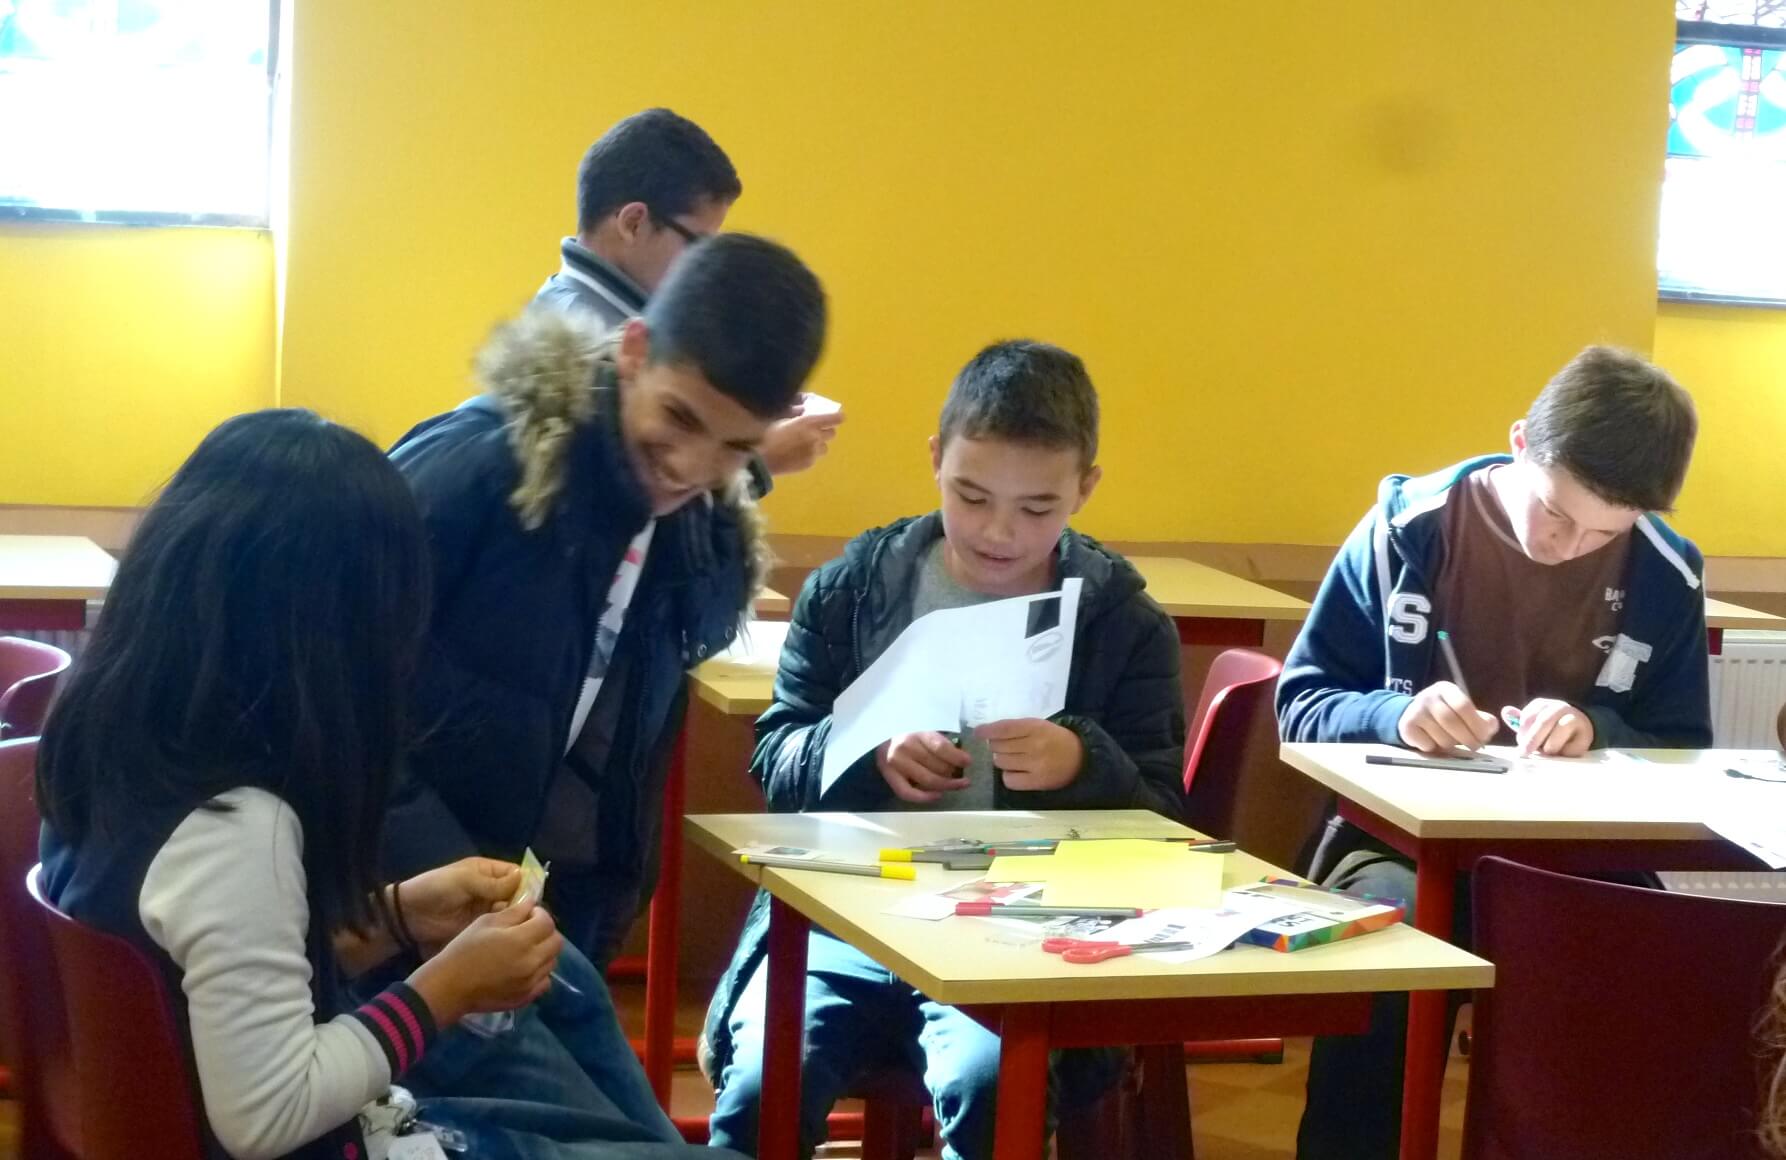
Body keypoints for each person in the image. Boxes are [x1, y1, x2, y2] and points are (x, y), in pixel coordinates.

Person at [36, 410, 732, 1160]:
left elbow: (214, 968)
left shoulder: (117, 742)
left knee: (578, 997)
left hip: (282, 1119)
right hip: (321, 1137)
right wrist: (447, 988)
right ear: (330, 632)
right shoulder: (238, 827)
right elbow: (268, 1113)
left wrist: (398, 918)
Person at [702, 340, 1187, 1158]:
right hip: (845, 921)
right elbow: (775, 760)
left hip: (1022, 936)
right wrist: (866, 751)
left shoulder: (1123, 623)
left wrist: (1081, 765)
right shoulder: (851, 591)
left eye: (1037, 508)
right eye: (971, 495)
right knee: (760, 1089)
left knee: (994, 1088)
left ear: (1085, 489)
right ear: (935, 459)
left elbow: (1169, 820)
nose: (999, 531)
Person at [1277, 345, 1709, 1159]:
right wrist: (1395, 714)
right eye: (1556, 513)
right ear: (1518, 444)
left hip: (1575, 856)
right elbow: (1299, 705)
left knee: (1641, 966)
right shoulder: (1408, 529)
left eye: (1605, 531)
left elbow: (1685, 743)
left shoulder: (1666, 573)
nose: (1571, 545)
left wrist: (1598, 730)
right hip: (1398, 847)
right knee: (1387, 960)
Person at [537, 107, 843, 483]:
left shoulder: (593, 311)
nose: (704, 262)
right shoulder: (581, 339)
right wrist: (759, 462)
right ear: (634, 223)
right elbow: (613, 497)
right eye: (698, 244)